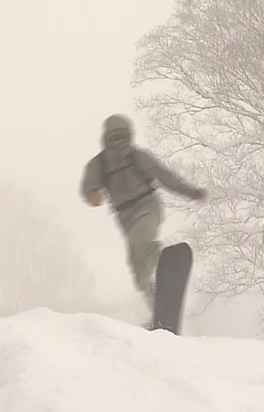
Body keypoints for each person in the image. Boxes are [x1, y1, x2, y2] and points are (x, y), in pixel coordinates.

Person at [80, 114, 208, 308]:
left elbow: (165, 176)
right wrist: (93, 196)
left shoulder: (137, 156)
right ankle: (156, 304)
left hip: (147, 206)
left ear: (129, 137)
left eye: (123, 137)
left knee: (140, 239)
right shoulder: (99, 164)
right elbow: (87, 188)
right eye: (114, 138)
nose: (119, 142)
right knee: (136, 266)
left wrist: (191, 192)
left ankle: (165, 266)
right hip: (125, 217)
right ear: (106, 139)